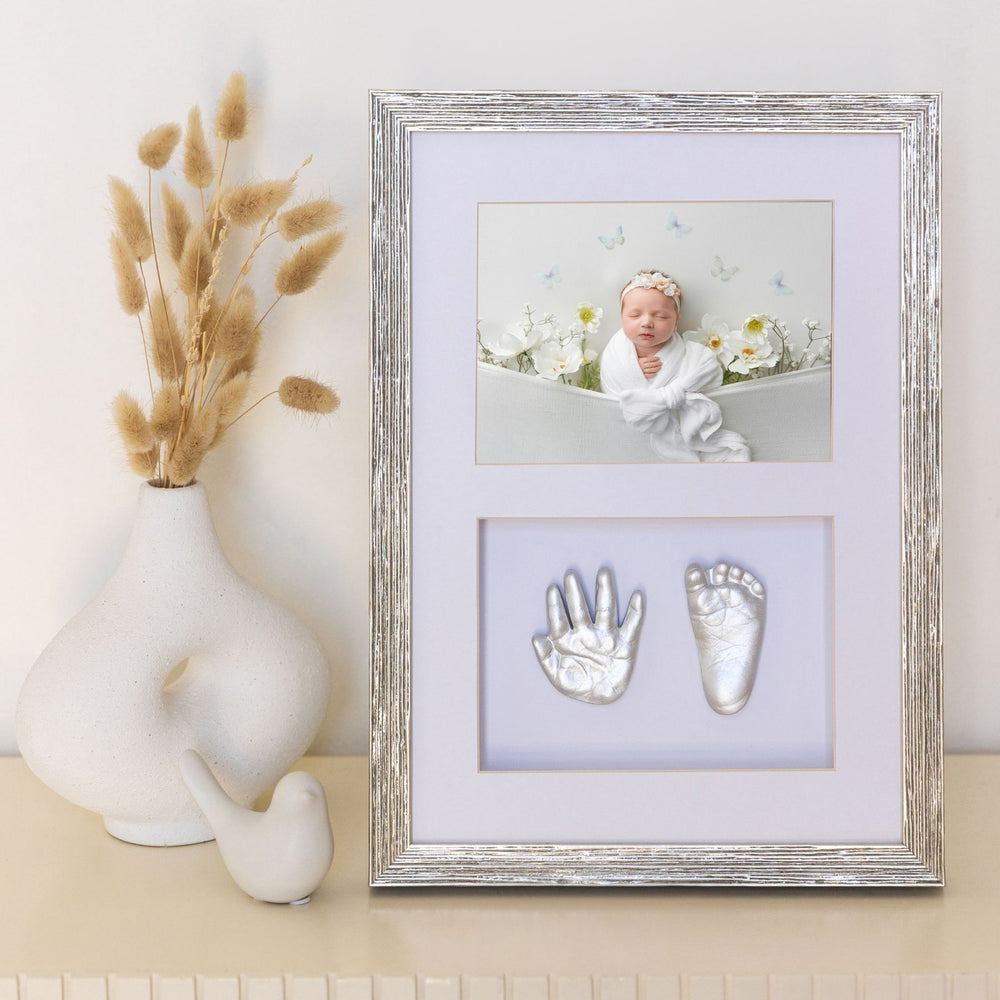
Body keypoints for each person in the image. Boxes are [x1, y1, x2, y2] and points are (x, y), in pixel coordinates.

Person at [599, 270, 750, 462]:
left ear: (676, 321)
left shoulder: (690, 356)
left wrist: (670, 393)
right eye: (635, 315)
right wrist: (633, 369)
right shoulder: (616, 354)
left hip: (675, 425)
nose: (646, 323)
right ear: (622, 316)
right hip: (625, 434)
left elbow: (704, 376)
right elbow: (613, 380)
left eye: (660, 317)